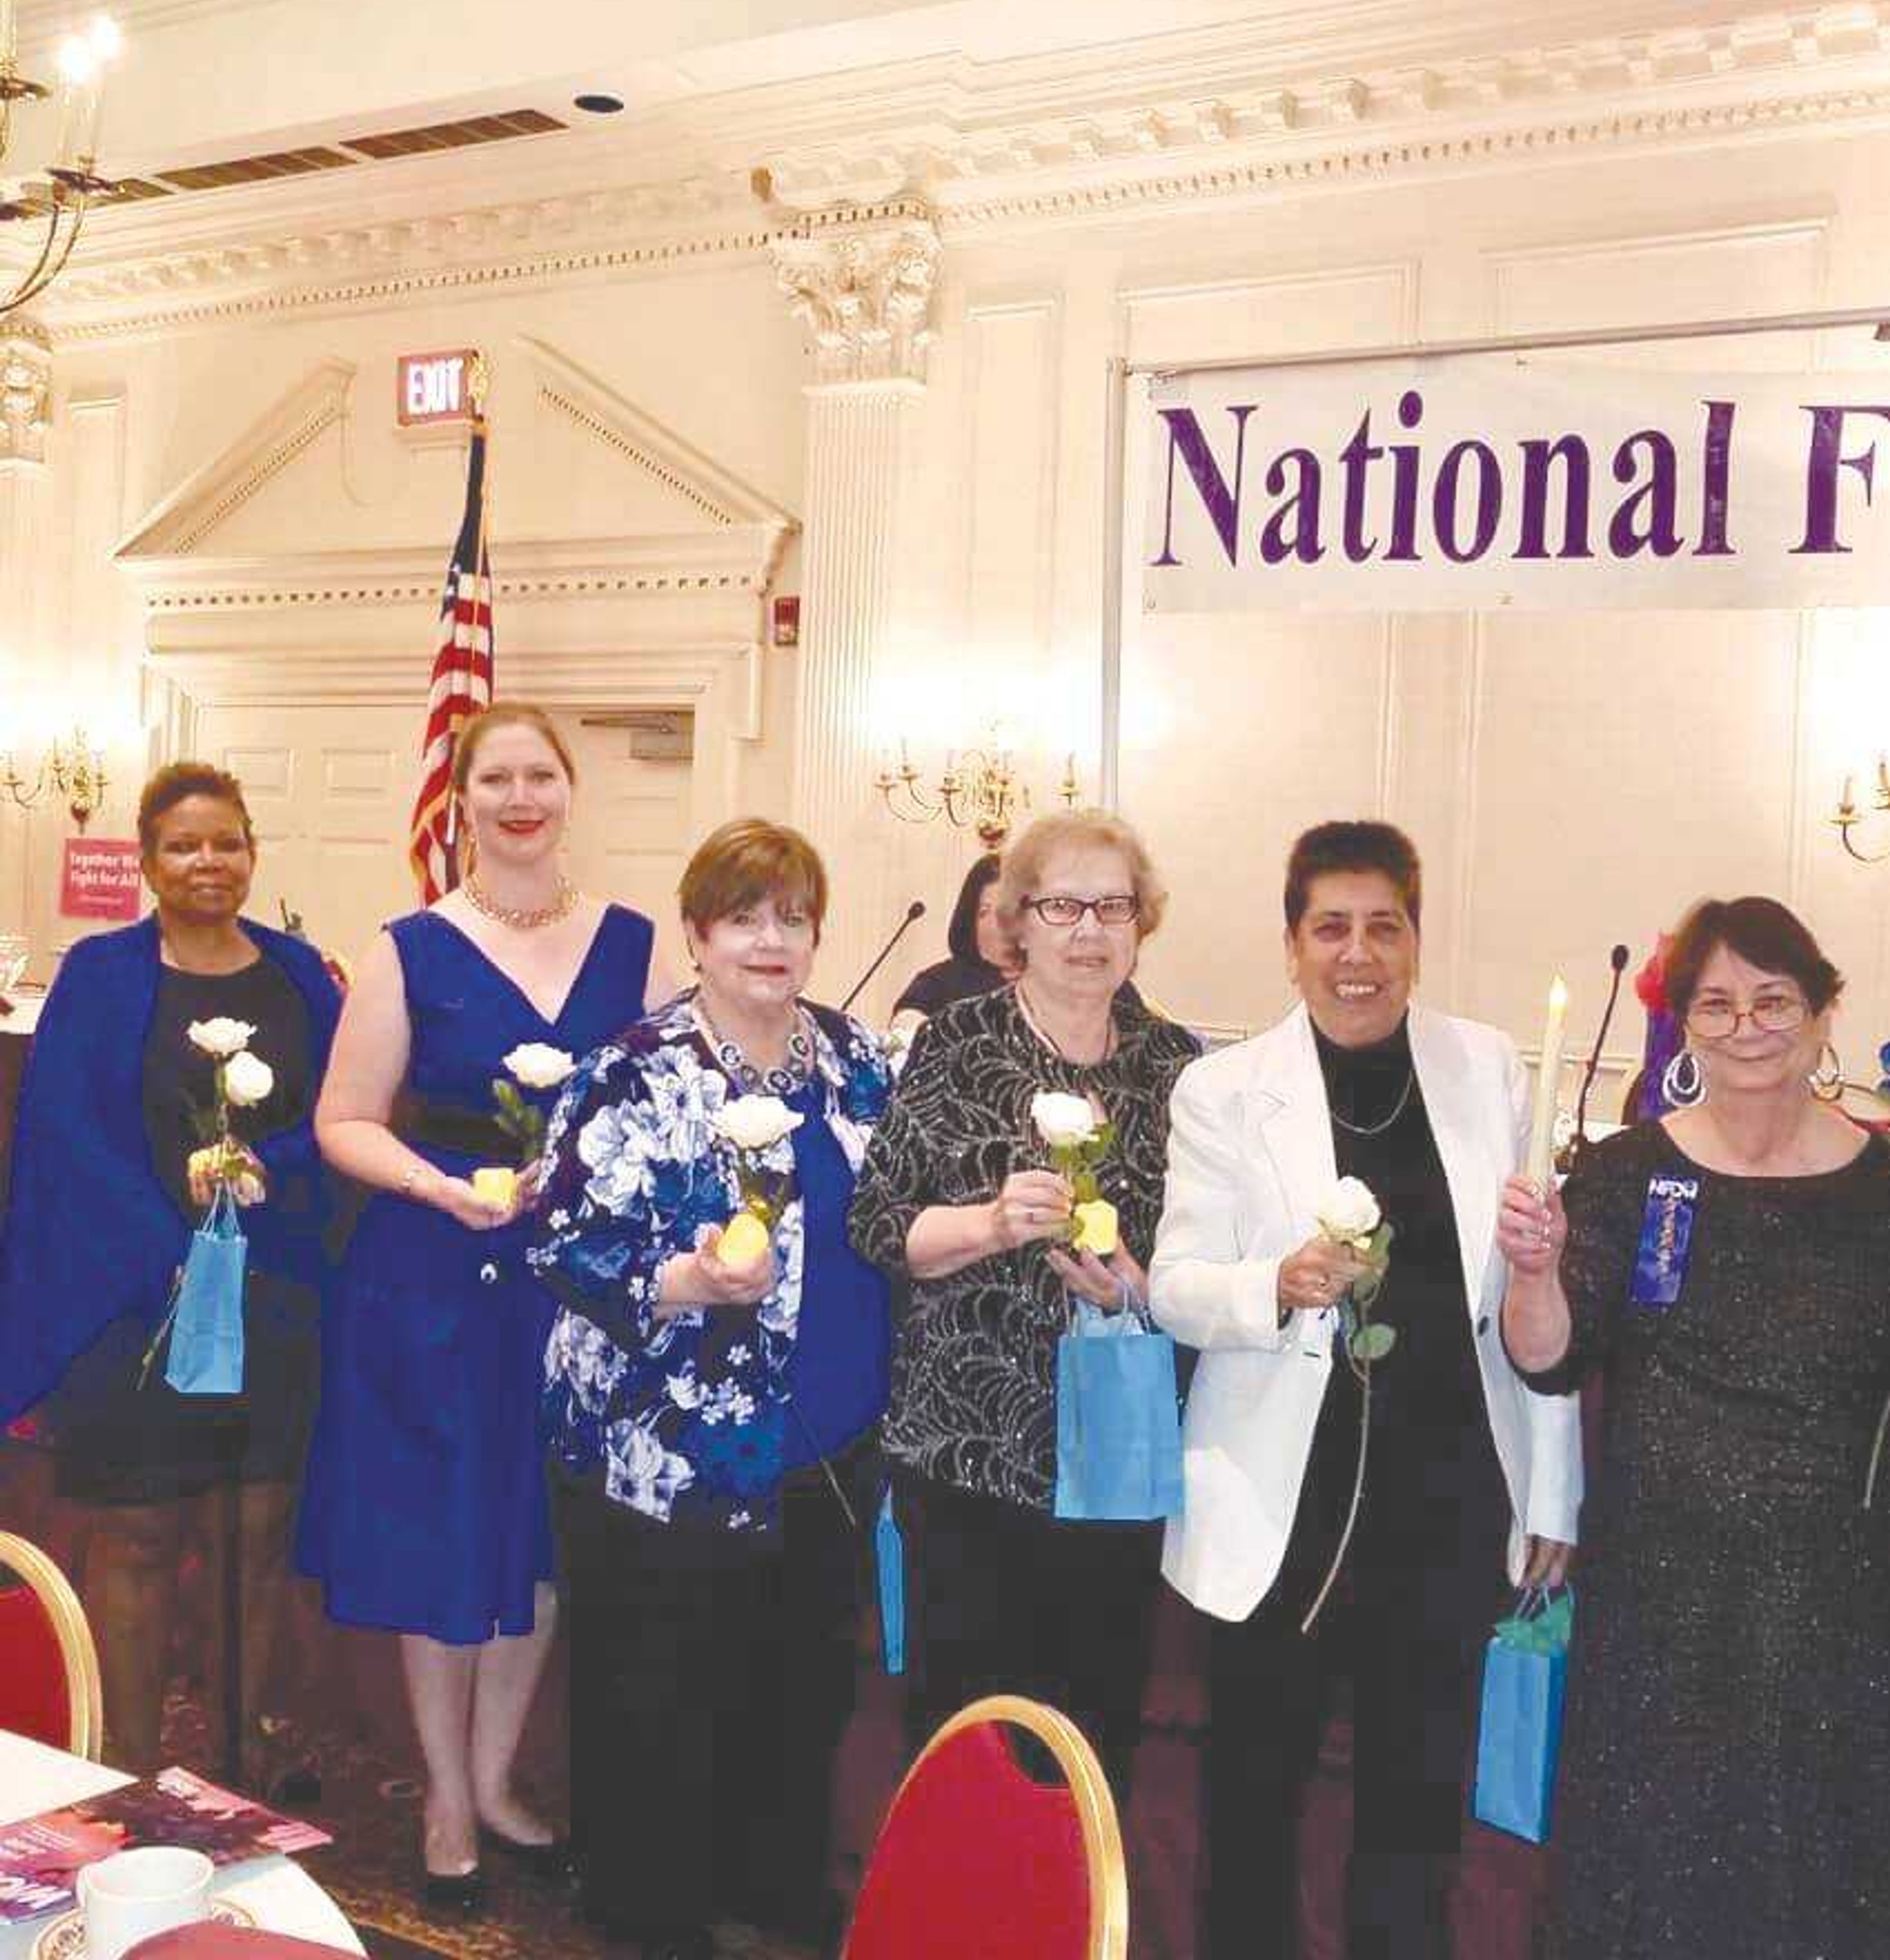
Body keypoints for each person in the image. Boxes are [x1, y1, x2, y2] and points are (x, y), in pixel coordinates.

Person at [1149, 820, 1581, 1960]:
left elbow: (1525, 1296)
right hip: (1282, 1504)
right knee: (1252, 1801)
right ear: (1290, 946)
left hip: (1441, 1500)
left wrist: (1552, 1495)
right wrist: (1273, 1282)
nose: (1358, 953)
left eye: (1382, 926)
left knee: (1412, 1814)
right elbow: (1175, 1287)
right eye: (1329, 926)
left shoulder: (1485, 1065)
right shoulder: (1222, 1090)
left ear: (1416, 941)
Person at [295, 701, 674, 1910]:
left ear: (570, 792)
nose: (520, 798)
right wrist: (438, 1185)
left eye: (541, 776)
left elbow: (674, 1110)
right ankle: (447, 1799)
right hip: (434, 1279)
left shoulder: (637, 942)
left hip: (576, 1291)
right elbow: (342, 1118)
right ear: (461, 801)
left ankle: (502, 1780)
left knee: (543, 1544)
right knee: (447, 1536)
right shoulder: (410, 946)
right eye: (496, 778)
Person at [1499, 895, 1890, 1960]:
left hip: (1832, 1599)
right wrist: (1534, 1271)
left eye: (1775, 999)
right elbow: (1549, 1354)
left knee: (1807, 1868)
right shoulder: (1631, 1171)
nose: (1747, 1025)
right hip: (1659, 1593)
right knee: (1649, 1872)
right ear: (1684, 1024)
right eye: (1716, 1003)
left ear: (1821, 1014)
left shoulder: (1880, 1186)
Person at [530, 817, 893, 1960]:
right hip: (667, 1448)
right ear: (695, 933)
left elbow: (896, 1216)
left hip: (829, 1441)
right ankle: (651, 1906)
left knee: (797, 1687)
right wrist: (682, 1278)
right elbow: (562, 1237)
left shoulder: (856, 1060)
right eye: (743, 917)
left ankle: (770, 1879)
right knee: (661, 1692)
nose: (769, 940)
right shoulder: (634, 1069)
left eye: (791, 917)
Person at [0, 760, 342, 1788]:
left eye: (227, 841)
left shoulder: (295, 974)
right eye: (184, 845)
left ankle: (236, 1763)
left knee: (253, 1531)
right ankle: (125, 1770)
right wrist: (177, 1233)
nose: (208, 861)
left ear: (252, 852)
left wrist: (254, 1173)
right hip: (134, 1295)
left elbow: (337, 1115)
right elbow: (62, 1131)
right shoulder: (102, 972)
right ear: (147, 861)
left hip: (272, 1296)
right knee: (138, 1532)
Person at [850, 808, 1200, 1799]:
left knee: (1089, 1741)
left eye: (1113, 906)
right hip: (965, 1450)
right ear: (1016, 921)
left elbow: (1207, 1265)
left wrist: (1134, 1281)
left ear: (1143, 922)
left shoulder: (1181, 1067)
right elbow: (879, 1222)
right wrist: (994, 1224)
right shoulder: (959, 1041)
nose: (1089, 931)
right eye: (1062, 905)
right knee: (963, 1732)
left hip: (1112, 1459)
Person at [889, 852, 1017, 1027]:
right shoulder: (940, 981)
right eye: (984, 912)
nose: (997, 923)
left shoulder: (1053, 979)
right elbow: (906, 1025)